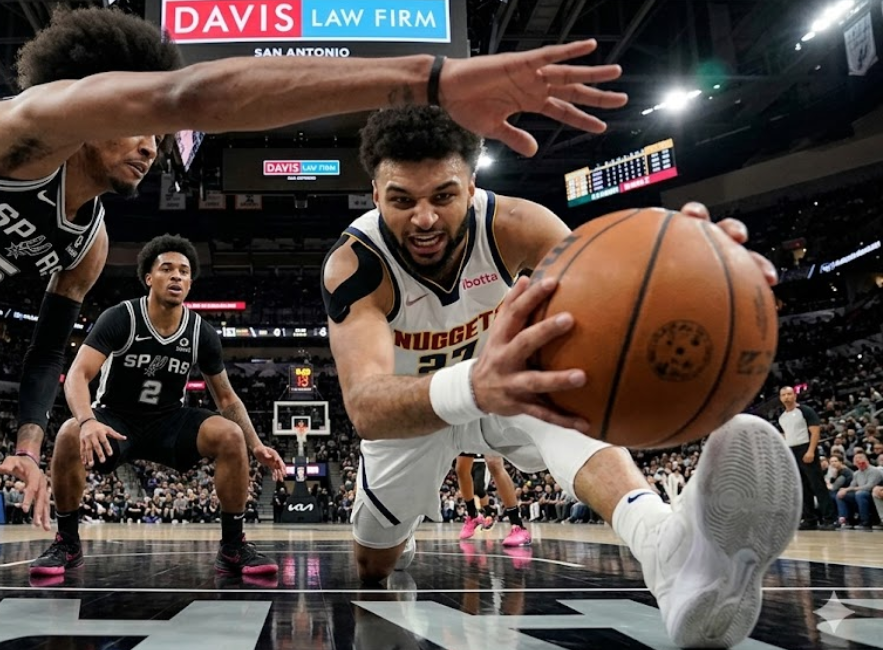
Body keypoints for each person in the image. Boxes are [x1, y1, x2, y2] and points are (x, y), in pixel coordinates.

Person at [0, 6, 628, 585]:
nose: (154, 147)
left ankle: (221, 535)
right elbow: (190, 96)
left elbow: (51, 345)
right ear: (89, 105)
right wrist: (429, 80)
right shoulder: (11, 132)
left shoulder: (87, 245)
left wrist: (26, 437)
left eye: (160, 139)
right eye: (139, 127)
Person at [321, 105, 800, 648]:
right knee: (372, 566)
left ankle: (669, 552)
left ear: (472, 186)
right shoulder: (356, 265)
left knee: (568, 397)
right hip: (417, 412)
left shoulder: (520, 226)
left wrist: (694, 268)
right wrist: (476, 382)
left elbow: (607, 300)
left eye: (443, 196)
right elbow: (365, 404)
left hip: (512, 389)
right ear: (375, 193)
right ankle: (397, 531)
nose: (424, 218)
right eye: (402, 200)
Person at [29, 235, 287, 577]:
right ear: (149, 278)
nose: (177, 276)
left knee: (230, 435)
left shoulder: (200, 332)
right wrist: (87, 420)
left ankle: (233, 546)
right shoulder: (121, 317)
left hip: (169, 420)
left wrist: (256, 445)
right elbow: (78, 373)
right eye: (167, 269)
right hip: (116, 418)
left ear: (191, 282)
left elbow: (226, 398)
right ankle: (67, 543)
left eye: (184, 271)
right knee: (67, 433)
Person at [778, 386, 836, 529]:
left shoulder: (805, 411)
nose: (786, 397)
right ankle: (810, 519)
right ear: (780, 398)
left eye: (789, 394)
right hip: (792, 451)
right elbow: (787, 435)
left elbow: (815, 432)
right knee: (802, 486)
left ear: (795, 396)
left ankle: (830, 519)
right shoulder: (782, 417)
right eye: (783, 395)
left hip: (806, 448)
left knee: (817, 485)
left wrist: (811, 451)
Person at [454, 454, 529, 546]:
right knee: (461, 469)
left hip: (483, 455)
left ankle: (518, 525)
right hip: (469, 440)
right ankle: (473, 515)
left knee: (494, 464)